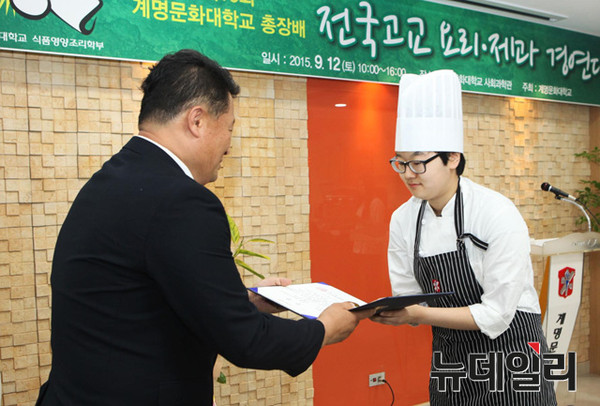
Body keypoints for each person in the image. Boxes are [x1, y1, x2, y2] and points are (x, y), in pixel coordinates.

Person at [36, 49, 370, 406]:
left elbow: (140, 299)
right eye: (229, 128)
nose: (228, 144)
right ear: (197, 121)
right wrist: (323, 329)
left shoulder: (109, 180)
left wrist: (245, 301)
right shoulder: (182, 201)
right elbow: (246, 341)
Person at [372, 70, 557, 405]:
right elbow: (410, 297)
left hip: (512, 349)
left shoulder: (495, 212)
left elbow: (497, 313)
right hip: (451, 354)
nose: (408, 175)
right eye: (400, 164)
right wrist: (391, 310)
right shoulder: (403, 220)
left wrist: (418, 314)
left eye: (418, 164)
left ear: (452, 159)